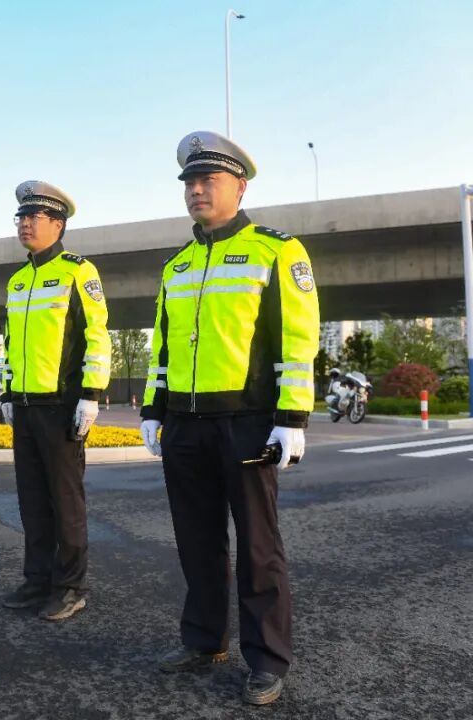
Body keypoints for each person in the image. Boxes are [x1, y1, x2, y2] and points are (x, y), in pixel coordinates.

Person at [139, 131, 320, 705]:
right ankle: (203, 639)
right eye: (190, 182)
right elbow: (163, 346)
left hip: (247, 422)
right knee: (196, 540)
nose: (197, 190)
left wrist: (291, 416)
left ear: (239, 187)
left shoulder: (276, 250)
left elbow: (297, 338)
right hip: (185, 422)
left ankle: (266, 659)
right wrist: (153, 409)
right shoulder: (178, 264)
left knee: (259, 545)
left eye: (208, 180)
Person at [0, 181, 111, 622]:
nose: (25, 224)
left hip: (62, 406)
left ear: (58, 224)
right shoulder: (17, 280)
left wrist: (90, 395)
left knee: (66, 503)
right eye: (21, 217)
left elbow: (96, 336)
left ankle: (70, 586)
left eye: (34, 217)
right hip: (26, 407)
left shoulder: (77, 272)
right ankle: (38, 579)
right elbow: (11, 344)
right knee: (31, 500)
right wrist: (9, 393)